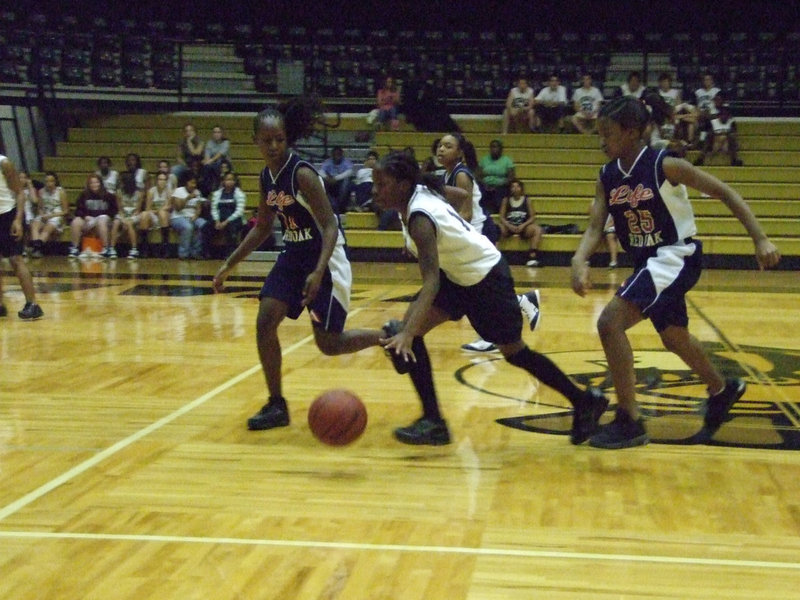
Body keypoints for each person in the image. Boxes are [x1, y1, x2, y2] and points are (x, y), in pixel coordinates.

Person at [570, 96, 781, 449]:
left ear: (632, 132)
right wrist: (579, 260)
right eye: (599, 134)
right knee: (673, 336)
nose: (601, 140)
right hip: (648, 262)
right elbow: (595, 228)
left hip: (675, 254)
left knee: (610, 323)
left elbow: (724, 192)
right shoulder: (606, 175)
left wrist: (760, 239)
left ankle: (630, 419)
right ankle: (721, 388)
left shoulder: (664, 164)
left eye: (607, 133)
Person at [372, 151, 608, 445]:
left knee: (514, 353)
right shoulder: (418, 193)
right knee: (412, 330)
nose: (374, 190)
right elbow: (461, 196)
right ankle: (433, 422)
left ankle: (585, 400)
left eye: (381, 184)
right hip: (457, 276)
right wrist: (453, 231)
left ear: (403, 184)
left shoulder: (421, 219)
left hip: (485, 278)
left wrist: (406, 334)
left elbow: (430, 281)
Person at [212, 98, 386, 431]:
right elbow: (263, 227)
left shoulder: (302, 174)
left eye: (280, 139)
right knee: (265, 322)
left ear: (287, 139)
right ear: (256, 142)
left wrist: (318, 272)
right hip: (293, 255)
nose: (274, 145)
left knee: (329, 344)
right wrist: (228, 265)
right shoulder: (267, 177)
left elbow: (331, 226)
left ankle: (385, 337)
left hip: (325, 257)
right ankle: (276, 404)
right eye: (268, 140)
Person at [0, 154, 44, 320]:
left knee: (15, 260)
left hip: (8, 216)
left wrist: (18, 220)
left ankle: (32, 304)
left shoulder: (4, 163)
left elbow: (19, 193)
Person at [68, 173, 118, 259]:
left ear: (101, 183)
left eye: (96, 182)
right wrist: (85, 217)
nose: (94, 185)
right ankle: (75, 248)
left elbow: (113, 211)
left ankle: (106, 248)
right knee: (76, 222)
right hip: (89, 219)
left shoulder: (109, 196)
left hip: (104, 220)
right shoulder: (83, 195)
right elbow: (78, 210)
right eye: (92, 183)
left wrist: (104, 216)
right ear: (88, 184)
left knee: (102, 220)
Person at [498, 179, 542, 267]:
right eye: (513, 186)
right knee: (497, 228)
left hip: (523, 227)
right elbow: (501, 217)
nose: (515, 188)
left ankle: (532, 256)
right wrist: (509, 225)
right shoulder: (506, 200)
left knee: (537, 229)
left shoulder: (527, 200)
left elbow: (532, 216)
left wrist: (523, 225)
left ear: (521, 188)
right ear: (510, 189)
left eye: (517, 186)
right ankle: (496, 256)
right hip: (509, 227)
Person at [168, 173, 207, 260]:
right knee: (188, 227)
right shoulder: (178, 191)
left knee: (203, 225)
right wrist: (188, 197)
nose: (194, 185)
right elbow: (178, 208)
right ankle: (183, 254)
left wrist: (196, 216)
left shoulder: (197, 192)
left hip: (192, 217)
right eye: (192, 183)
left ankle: (196, 252)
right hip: (178, 217)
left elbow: (198, 208)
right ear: (186, 183)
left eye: (195, 183)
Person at [29, 171, 67, 258]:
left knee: (47, 228)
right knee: (35, 224)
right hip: (45, 214)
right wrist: (42, 214)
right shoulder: (42, 191)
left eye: (51, 181)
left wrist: (50, 216)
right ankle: (37, 246)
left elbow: (65, 211)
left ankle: (37, 248)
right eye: (47, 181)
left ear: (55, 182)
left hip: (57, 215)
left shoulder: (61, 192)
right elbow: (40, 207)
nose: (49, 183)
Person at [109, 170, 143, 259]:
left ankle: (134, 249)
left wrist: (129, 219)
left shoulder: (139, 193)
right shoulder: (119, 192)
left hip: (134, 214)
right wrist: (123, 218)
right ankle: (112, 248)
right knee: (116, 222)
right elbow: (120, 209)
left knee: (129, 223)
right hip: (123, 213)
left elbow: (138, 210)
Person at [210, 171, 246, 256]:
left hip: (234, 219)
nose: (229, 182)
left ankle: (230, 254)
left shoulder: (239, 194)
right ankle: (209, 252)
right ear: (223, 181)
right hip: (220, 218)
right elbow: (214, 209)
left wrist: (226, 222)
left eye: (231, 180)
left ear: (235, 182)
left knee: (231, 228)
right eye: (227, 180)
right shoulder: (217, 194)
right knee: (206, 227)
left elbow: (239, 211)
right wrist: (216, 221)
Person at [476, 139, 516, 215]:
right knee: (479, 190)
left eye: (496, 147)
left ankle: (499, 211)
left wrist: (500, 184)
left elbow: (511, 177)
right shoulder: (484, 159)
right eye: (492, 147)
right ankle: (482, 212)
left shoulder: (507, 160)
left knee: (500, 192)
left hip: (501, 185)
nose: (494, 149)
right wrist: (484, 184)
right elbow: (477, 176)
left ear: (501, 149)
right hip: (485, 185)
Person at [143, 170, 172, 257]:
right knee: (144, 215)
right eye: (160, 179)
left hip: (166, 216)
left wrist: (159, 211)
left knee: (162, 213)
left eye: (164, 179)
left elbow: (169, 206)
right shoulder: (151, 191)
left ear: (166, 181)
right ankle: (145, 247)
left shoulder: (169, 191)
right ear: (156, 180)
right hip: (154, 214)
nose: (162, 181)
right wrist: (156, 211)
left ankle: (165, 247)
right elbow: (148, 208)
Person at [319, 146, 354, 215]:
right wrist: (327, 177)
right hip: (329, 182)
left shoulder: (346, 162)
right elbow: (321, 171)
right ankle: (329, 205)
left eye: (338, 154)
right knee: (320, 180)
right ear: (332, 155)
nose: (337, 156)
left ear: (341, 155)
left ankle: (339, 206)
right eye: (335, 154)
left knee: (346, 182)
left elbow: (349, 172)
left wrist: (336, 178)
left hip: (340, 183)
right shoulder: (328, 162)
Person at [202, 125, 231, 189]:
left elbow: (220, 154)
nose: (216, 134)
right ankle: (207, 187)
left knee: (218, 162)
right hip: (212, 163)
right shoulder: (209, 143)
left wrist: (210, 161)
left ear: (222, 134)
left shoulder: (226, 142)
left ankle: (217, 184)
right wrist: (207, 161)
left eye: (218, 132)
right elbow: (207, 155)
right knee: (206, 166)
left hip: (224, 163)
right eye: (215, 132)